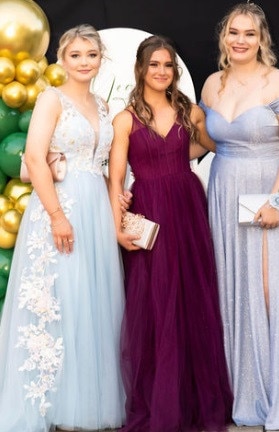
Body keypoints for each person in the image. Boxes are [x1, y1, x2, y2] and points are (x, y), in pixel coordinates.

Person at [200, 2, 279, 430]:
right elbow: (203, 143)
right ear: (224, 36)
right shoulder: (212, 84)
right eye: (234, 32)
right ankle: (240, 391)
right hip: (224, 190)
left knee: (271, 290)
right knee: (231, 287)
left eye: (249, 33)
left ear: (261, 39)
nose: (240, 40)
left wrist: (278, 199)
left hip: (269, 194)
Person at [0, 24, 126, 431]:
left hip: (94, 210)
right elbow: (35, 158)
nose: (84, 62)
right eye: (76, 55)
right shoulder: (50, 99)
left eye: (91, 55)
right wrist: (56, 215)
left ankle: (81, 403)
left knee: (89, 302)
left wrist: (117, 197)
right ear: (62, 59)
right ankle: (46, 403)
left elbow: (104, 164)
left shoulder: (105, 108)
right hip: (59, 208)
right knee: (57, 301)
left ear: (100, 59)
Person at [108, 34, 233, 432]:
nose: (162, 72)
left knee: (191, 297)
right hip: (148, 212)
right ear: (141, 69)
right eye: (155, 65)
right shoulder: (124, 119)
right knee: (155, 303)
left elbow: (217, 146)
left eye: (168, 66)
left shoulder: (190, 112)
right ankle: (160, 403)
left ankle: (197, 402)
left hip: (187, 208)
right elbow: (115, 181)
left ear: (174, 72)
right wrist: (116, 227)